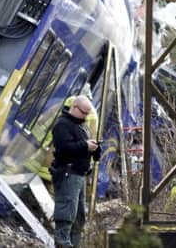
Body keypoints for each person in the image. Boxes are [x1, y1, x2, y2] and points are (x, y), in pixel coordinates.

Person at [50, 95, 101, 248]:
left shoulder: (82, 127)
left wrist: (96, 148)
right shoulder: (62, 124)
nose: (85, 116)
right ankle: (62, 244)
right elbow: (63, 148)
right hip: (67, 173)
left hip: (79, 176)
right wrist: (85, 145)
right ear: (74, 107)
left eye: (87, 113)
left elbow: (84, 149)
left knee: (79, 217)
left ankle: (74, 245)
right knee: (66, 215)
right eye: (83, 113)